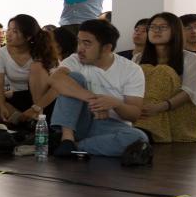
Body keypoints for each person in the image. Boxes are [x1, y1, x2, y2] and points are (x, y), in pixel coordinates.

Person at [49, 20, 150, 163]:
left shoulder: (131, 70)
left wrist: (116, 104)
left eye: (87, 44)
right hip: (77, 122)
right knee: (73, 77)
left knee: (139, 138)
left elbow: (134, 114)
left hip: (109, 128)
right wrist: (94, 100)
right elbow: (55, 79)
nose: (80, 49)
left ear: (106, 48)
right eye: (79, 42)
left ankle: (76, 146)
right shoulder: (75, 60)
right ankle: (67, 139)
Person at [133, 12, 196, 143]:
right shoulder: (138, 58)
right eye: (152, 27)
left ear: (175, 30)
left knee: (163, 71)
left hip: (177, 111)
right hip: (144, 111)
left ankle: (143, 132)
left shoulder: (190, 58)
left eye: (163, 27)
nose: (156, 30)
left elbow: (188, 92)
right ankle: (143, 132)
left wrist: (159, 107)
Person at [0, 14, 61, 127]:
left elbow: (58, 87)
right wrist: (2, 106)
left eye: (15, 31)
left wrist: (36, 107)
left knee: (37, 66)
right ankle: (27, 122)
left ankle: (37, 119)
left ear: (28, 37)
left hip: (44, 101)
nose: (8, 34)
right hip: (18, 97)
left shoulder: (43, 52)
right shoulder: (0, 53)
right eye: (8, 29)